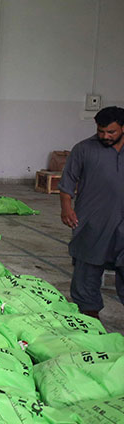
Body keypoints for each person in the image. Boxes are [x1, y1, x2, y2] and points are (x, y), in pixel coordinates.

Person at [59, 106, 124, 320]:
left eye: (111, 132)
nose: (105, 136)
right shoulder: (84, 149)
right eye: (101, 131)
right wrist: (66, 207)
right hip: (92, 220)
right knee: (88, 266)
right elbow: (67, 182)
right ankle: (88, 316)